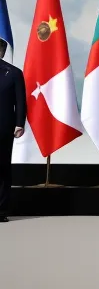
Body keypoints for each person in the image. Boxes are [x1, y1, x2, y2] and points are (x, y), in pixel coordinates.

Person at [0, 38, 26, 223]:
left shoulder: (14, 73)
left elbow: (21, 101)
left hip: (4, 127)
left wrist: (19, 124)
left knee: (2, 168)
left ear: (3, 51)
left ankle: (1, 209)